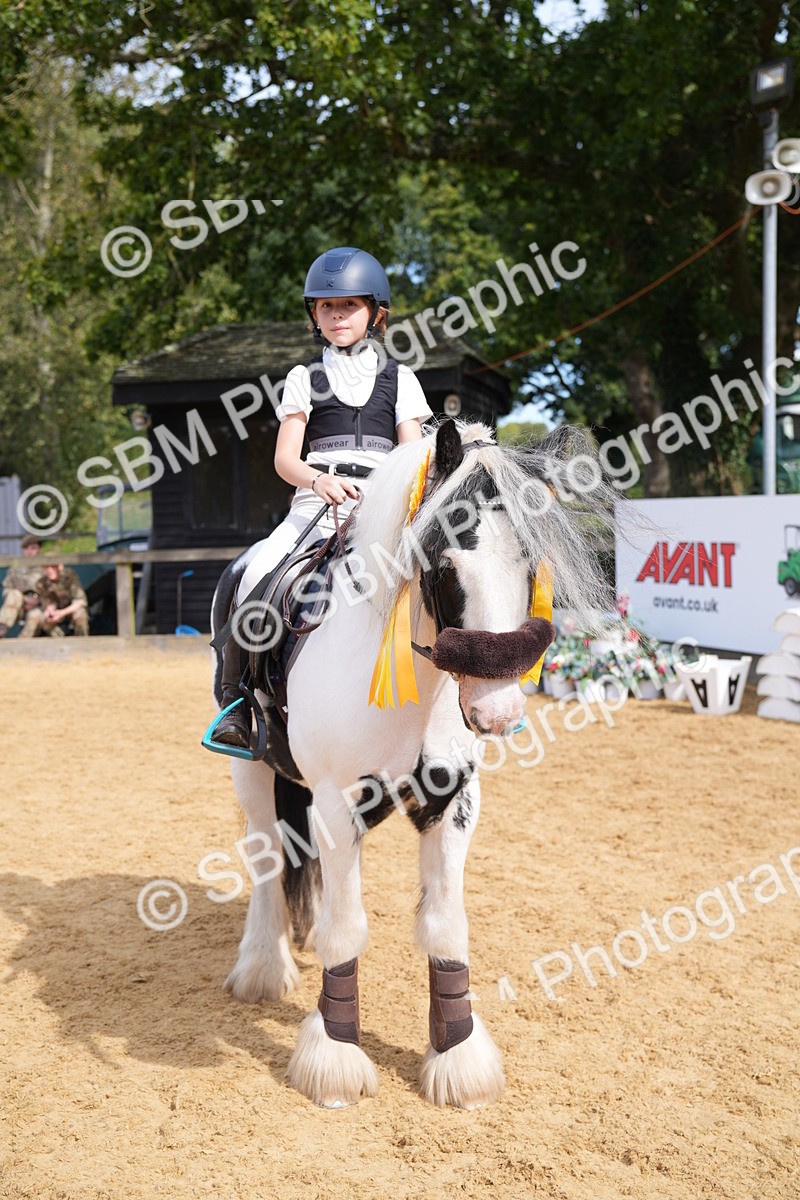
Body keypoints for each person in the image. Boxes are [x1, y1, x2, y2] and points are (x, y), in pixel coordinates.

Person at [212, 246, 433, 748]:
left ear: (375, 313)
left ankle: (480, 679)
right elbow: (285, 460)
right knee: (258, 576)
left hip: (384, 509)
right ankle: (238, 702)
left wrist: (392, 500)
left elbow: (415, 456)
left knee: (449, 573)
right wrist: (317, 481)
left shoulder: (401, 379)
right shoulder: (302, 377)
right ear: (314, 313)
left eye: (349, 306)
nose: (337, 316)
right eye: (327, 307)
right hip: (316, 506)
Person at [26, 562, 89, 637]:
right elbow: (48, 601)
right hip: (56, 612)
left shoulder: (70, 576)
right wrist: (50, 611)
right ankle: (59, 640)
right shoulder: (42, 582)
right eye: (46, 567)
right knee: (39, 616)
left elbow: (80, 601)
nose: (50, 570)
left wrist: (62, 613)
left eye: (53, 566)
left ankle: (82, 642)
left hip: (70, 609)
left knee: (80, 614)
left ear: (60, 566)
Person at [0, 533, 45, 638]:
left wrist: (38, 601)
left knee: (35, 616)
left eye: (33, 548)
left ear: (39, 549)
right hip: (18, 607)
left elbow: (52, 593)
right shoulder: (16, 568)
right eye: (26, 548)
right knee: (14, 594)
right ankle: (1, 628)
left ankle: (21, 645)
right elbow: (7, 588)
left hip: (39, 608)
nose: (29, 552)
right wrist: (23, 599)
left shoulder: (46, 569)